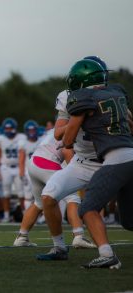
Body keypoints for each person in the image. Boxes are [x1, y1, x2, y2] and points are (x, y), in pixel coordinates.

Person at [62, 58, 133, 269]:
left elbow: (66, 141)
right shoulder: (117, 93)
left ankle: (106, 253)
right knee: (129, 221)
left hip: (116, 159)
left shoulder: (83, 98)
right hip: (130, 153)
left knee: (88, 208)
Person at [35, 56, 108, 261]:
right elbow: (59, 134)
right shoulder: (67, 97)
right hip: (82, 160)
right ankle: (59, 248)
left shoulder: (111, 96)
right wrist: (79, 118)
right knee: (48, 196)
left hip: (111, 158)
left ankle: (105, 252)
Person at [13, 129, 95, 250]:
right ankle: (79, 236)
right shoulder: (74, 127)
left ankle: (21, 237)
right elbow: (67, 151)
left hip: (33, 162)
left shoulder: (55, 129)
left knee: (38, 203)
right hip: (47, 163)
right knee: (73, 197)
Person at [0, 118, 26, 222]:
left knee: (21, 193)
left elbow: (23, 154)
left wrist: (22, 170)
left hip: (18, 167)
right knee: (6, 193)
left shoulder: (21, 137)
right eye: (6, 128)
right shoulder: (1, 139)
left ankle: (25, 214)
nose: (8, 130)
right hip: (5, 167)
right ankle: (7, 215)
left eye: (10, 128)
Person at [18, 120, 40, 211]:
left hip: (40, 170)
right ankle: (27, 215)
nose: (32, 132)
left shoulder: (41, 140)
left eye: (33, 130)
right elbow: (21, 160)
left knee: (40, 194)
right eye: (30, 131)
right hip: (29, 171)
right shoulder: (23, 143)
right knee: (28, 194)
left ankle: (42, 217)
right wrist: (21, 173)